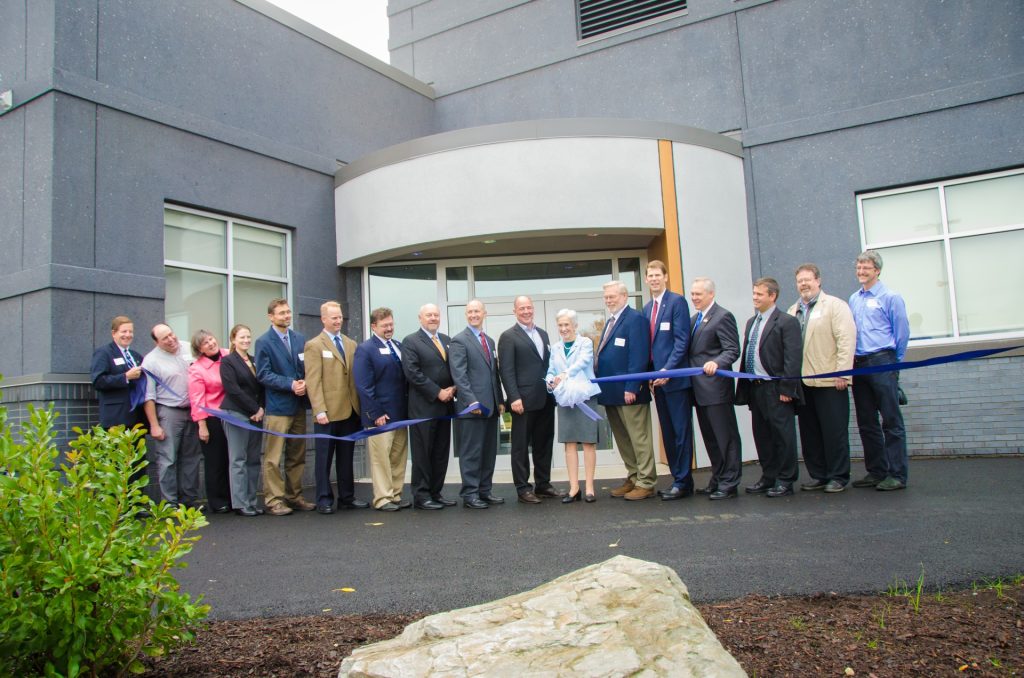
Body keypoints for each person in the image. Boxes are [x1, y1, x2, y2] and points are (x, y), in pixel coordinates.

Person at [787, 264, 856, 494]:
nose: (803, 284)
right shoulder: (792, 310)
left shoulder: (835, 306)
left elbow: (846, 340)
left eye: (807, 279)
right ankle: (819, 475)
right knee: (810, 433)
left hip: (830, 381)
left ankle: (838, 476)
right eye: (799, 281)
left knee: (833, 432)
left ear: (818, 280)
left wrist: (843, 373)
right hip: (804, 384)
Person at [736, 277, 803, 498]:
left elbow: (792, 359)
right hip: (756, 389)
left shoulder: (786, 322)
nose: (755, 297)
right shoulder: (751, 322)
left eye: (759, 294)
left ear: (772, 296)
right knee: (762, 435)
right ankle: (769, 476)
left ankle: (785, 479)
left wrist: (787, 389)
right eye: (754, 293)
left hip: (776, 389)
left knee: (782, 436)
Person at [849, 250, 911, 492]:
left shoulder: (890, 297)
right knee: (866, 421)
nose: (861, 271)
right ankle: (877, 471)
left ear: (877, 270)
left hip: (883, 360)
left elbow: (902, 333)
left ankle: (897, 474)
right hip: (859, 363)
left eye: (866, 267)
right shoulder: (854, 298)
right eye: (859, 267)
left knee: (891, 420)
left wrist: (895, 365)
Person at [303, 301, 367, 514]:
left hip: (349, 411)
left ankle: (347, 497)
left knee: (346, 457)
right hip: (327, 413)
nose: (338, 320)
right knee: (324, 458)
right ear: (323, 319)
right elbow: (313, 381)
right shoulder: (314, 345)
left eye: (340, 317)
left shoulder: (350, 343)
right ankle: (323, 499)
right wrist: (319, 410)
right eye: (334, 318)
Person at [595, 280, 655, 501]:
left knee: (639, 438)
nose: (609, 300)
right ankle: (633, 476)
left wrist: (632, 386)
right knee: (623, 438)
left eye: (612, 296)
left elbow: (638, 355)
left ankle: (646, 481)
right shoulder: (611, 321)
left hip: (629, 393)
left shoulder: (635, 319)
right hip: (611, 393)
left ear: (624, 296)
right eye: (606, 297)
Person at [498, 296, 561, 504]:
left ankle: (543, 484)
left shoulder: (543, 334)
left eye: (529, 308)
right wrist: (513, 397)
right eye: (522, 308)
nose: (526, 311)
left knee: (544, 443)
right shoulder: (508, 336)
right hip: (522, 401)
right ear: (515, 311)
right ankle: (523, 488)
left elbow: (546, 366)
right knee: (520, 446)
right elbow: (506, 371)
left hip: (545, 398)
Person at [254, 298, 315, 516]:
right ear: (271, 316)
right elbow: (263, 374)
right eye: (281, 313)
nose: (286, 316)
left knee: (297, 455)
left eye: (288, 312)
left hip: (299, 405)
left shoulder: (299, 338)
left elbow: (306, 365)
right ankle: (274, 500)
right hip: (278, 407)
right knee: (273, 457)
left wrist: (305, 382)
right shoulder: (263, 342)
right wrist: (290, 384)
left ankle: (294, 496)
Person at [642, 260, 694, 501]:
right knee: (669, 433)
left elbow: (681, 342)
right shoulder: (646, 308)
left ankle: (683, 481)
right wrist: (652, 375)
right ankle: (677, 478)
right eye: (649, 276)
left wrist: (666, 371)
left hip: (674, 381)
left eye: (657, 275)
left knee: (681, 432)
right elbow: (649, 347)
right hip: (657, 383)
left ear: (665, 277)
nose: (653, 279)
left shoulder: (677, 302)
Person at [688, 278, 743, 500]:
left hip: (716, 390)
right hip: (699, 390)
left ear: (711, 294)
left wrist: (717, 362)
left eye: (698, 294)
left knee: (725, 438)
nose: (694, 298)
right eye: (692, 294)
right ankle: (718, 478)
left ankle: (730, 483)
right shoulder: (694, 320)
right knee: (710, 439)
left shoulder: (723, 316)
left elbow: (732, 349)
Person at [449, 299, 505, 509]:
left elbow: (494, 374)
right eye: (470, 312)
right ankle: (470, 494)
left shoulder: (489, 341)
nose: (474, 315)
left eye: (477, 311)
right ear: (466, 315)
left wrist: (499, 400)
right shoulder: (459, 341)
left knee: (488, 452)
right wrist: (472, 401)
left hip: (491, 407)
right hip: (471, 408)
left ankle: (484, 490)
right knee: (472, 452)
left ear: (484, 314)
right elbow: (459, 375)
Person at [354, 308, 410, 512]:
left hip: (400, 415)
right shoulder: (365, 349)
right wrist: (375, 413)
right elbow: (363, 385)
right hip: (380, 416)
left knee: (398, 457)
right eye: (384, 325)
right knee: (381, 460)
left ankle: (395, 494)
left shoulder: (398, 346)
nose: (389, 328)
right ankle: (382, 498)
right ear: (373, 326)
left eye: (391, 324)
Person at [401, 303, 457, 510]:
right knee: (423, 454)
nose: (433, 318)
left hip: (445, 407)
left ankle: (436, 492)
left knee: (441, 452)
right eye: (429, 315)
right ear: (420, 318)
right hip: (423, 408)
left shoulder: (446, 340)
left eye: (436, 315)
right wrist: (437, 392)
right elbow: (412, 373)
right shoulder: (411, 341)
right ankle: (422, 496)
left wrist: (453, 387)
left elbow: (453, 368)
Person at [141, 323, 202, 508]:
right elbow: (148, 397)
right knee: (168, 459)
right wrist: (154, 425)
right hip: (169, 411)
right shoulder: (150, 361)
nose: (170, 340)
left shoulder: (187, 347)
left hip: (193, 410)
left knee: (191, 458)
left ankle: (189, 501)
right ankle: (170, 503)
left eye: (171, 334)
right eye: (164, 338)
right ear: (157, 342)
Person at [545, 309, 603, 503]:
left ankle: (589, 489)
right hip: (565, 399)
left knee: (587, 442)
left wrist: (565, 374)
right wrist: (550, 380)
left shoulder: (585, 343)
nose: (563, 329)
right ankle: (573, 488)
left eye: (567, 325)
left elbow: (583, 362)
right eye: (560, 325)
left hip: (584, 396)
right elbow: (551, 370)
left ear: (575, 326)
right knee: (569, 443)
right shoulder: (555, 347)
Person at [219, 324, 266, 516]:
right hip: (236, 412)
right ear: (233, 340)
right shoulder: (228, 361)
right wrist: (254, 408)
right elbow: (233, 389)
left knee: (254, 459)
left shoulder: (255, 361)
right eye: (241, 338)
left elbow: (262, 386)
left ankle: (252, 501)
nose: (246, 341)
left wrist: (260, 408)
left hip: (256, 415)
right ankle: (240, 503)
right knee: (238, 459)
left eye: (248, 337)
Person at [186, 329, 232, 513]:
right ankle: (218, 500)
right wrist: (202, 426)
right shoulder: (196, 369)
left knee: (232, 459)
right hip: (213, 418)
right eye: (205, 343)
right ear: (199, 349)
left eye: (211, 339)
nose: (211, 343)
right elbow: (196, 400)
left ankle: (232, 496)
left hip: (233, 415)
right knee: (216, 461)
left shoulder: (229, 355)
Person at [90, 315, 146, 430]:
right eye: (124, 331)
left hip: (137, 418)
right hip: (116, 417)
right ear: (113, 333)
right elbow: (98, 381)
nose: (128, 335)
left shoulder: (136, 356)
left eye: (131, 331)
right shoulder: (104, 353)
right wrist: (125, 377)